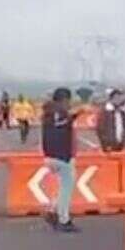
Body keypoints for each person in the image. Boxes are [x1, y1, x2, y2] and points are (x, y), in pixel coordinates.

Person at [41, 88, 81, 233]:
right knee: (66, 189)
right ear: (64, 100)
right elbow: (63, 124)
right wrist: (77, 114)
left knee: (62, 186)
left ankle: (52, 210)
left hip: (50, 155)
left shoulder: (48, 112)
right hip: (61, 155)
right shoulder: (58, 113)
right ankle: (63, 219)